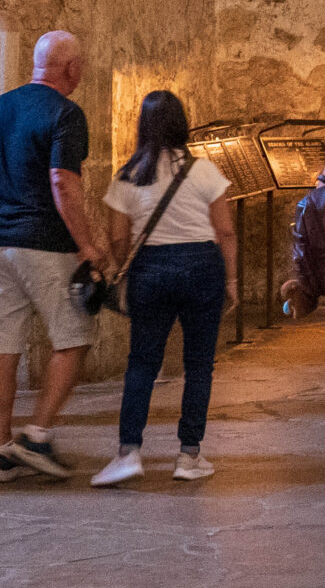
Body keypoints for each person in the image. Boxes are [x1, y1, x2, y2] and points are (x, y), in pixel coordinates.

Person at [0, 29, 104, 482]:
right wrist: (87, 245)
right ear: (72, 68)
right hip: (43, 243)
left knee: (1, 348)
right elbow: (63, 182)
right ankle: (36, 435)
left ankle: (1, 452)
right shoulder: (65, 112)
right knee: (74, 337)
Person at [92, 90, 238, 488]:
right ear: (181, 123)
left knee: (142, 361)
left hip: (151, 268)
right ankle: (189, 454)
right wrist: (231, 279)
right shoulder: (204, 171)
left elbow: (118, 237)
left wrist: (123, 269)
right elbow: (225, 230)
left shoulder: (128, 175)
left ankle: (128, 452)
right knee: (199, 364)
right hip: (202, 265)